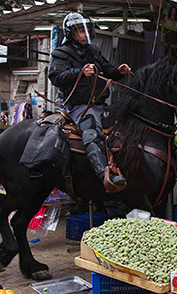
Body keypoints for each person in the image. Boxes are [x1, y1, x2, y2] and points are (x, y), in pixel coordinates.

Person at [48, 13, 131, 188]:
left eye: (86, 31)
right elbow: (56, 77)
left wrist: (119, 71)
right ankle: (104, 177)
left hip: (101, 104)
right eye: (80, 31)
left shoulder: (93, 50)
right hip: (80, 106)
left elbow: (108, 70)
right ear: (71, 34)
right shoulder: (60, 54)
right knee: (92, 133)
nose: (85, 35)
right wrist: (79, 72)